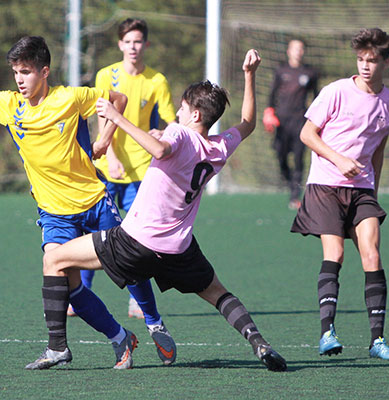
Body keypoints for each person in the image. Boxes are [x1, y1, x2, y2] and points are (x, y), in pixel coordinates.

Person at [28, 48, 288, 372]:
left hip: (136, 243)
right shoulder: (219, 147)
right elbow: (248, 123)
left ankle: (58, 347)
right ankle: (259, 343)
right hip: (179, 250)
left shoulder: (179, 133)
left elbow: (163, 148)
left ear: (195, 114)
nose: (178, 113)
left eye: (182, 108)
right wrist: (250, 75)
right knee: (219, 294)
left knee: (54, 259)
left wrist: (117, 117)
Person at [0, 36, 176, 369]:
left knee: (130, 267)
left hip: (94, 201)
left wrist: (104, 139)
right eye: (15, 73)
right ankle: (114, 339)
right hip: (54, 213)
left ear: (44, 71)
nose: (19, 80)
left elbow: (120, 98)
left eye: (25, 72)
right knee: (63, 283)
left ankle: (153, 322)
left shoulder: (70, 97)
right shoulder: (9, 105)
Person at [291, 28, 389, 360]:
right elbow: (307, 133)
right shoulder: (336, 91)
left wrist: (374, 190)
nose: (366, 66)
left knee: (372, 255)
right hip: (325, 185)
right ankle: (327, 333)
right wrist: (338, 158)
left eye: (372, 60)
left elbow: (378, 149)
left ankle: (377, 340)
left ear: (386, 61)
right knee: (335, 254)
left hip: (362, 189)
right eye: (361, 59)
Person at [73, 18, 177, 320]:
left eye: (138, 41)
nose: (133, 47)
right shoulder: (107, 75)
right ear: (120, 44)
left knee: (137, 238)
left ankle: (138, 301)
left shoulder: (157, 80)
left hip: (143, 170)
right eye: (128, 41)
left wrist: (165, 134)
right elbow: (105, 119)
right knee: (95, 233)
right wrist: (114, 156)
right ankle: (82, 295)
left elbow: (170, 120)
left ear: (146, 44)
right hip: (107, 167)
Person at [263, 39, 319, 210]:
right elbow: (272, 94)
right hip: (281, 121)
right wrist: (268, 112)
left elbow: (317, 99)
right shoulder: (281, 71)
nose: (298, 52)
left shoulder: (310, 73)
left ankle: (295, 195)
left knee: (299, 158)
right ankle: (290, 183)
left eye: (301, 48)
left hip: (300, 121)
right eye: (295, 48)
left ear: (304, 51)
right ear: (289, 51)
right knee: (280, 155)